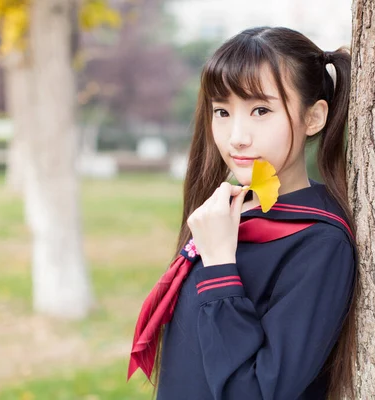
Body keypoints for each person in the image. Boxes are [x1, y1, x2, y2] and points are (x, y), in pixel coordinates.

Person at [129, 26, 359, 400]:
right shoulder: (228, 214)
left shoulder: (320, 243)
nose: (236, 135)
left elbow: (257, 391)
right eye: (222, 111)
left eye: (260, 110)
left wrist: (220, 266)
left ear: (314, 118)